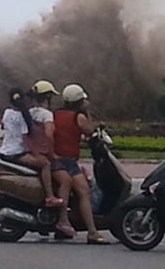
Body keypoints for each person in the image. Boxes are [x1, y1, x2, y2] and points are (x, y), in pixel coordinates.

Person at [53, 83, 111, 244]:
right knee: (84, 192)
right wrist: (87, 113)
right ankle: (92, 232)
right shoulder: (78, 117)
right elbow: (90, 132)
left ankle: (63, 224)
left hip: (57, 159)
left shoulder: (56, 114)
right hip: (68, 161)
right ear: (79, 100)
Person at [0, 87, 65, 208]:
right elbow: (26, 138)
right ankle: (50, 196)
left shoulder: (7, 113)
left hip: (4, 150)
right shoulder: (23, 116)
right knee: (45, 164)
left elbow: (4, 127)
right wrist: (37, 154)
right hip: (17, 152)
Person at [27, 80, 75, 237]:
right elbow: (48, 134)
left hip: (31, 152)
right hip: (43, 154)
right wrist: (52, 152)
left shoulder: (29, 112)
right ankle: (63, 219)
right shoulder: (46, 115)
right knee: (66, 180)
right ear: (47, 97)